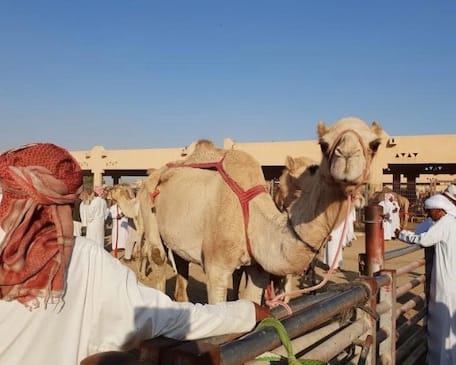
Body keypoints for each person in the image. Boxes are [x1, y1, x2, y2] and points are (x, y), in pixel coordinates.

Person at [0, 143, 271, 365]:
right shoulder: (84, 259)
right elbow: (171, 318)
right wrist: (246, 311)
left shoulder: (84, 256)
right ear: (66, 204)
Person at [396, 194, 456, 365]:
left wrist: (402, 235)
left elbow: (424, 240)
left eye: (430, 212)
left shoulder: (445, 224)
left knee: (444, 320)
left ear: (439, 210)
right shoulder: (454, 221)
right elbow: (424, 229)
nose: (429, 216)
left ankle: (444, 359)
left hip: (448, 280)